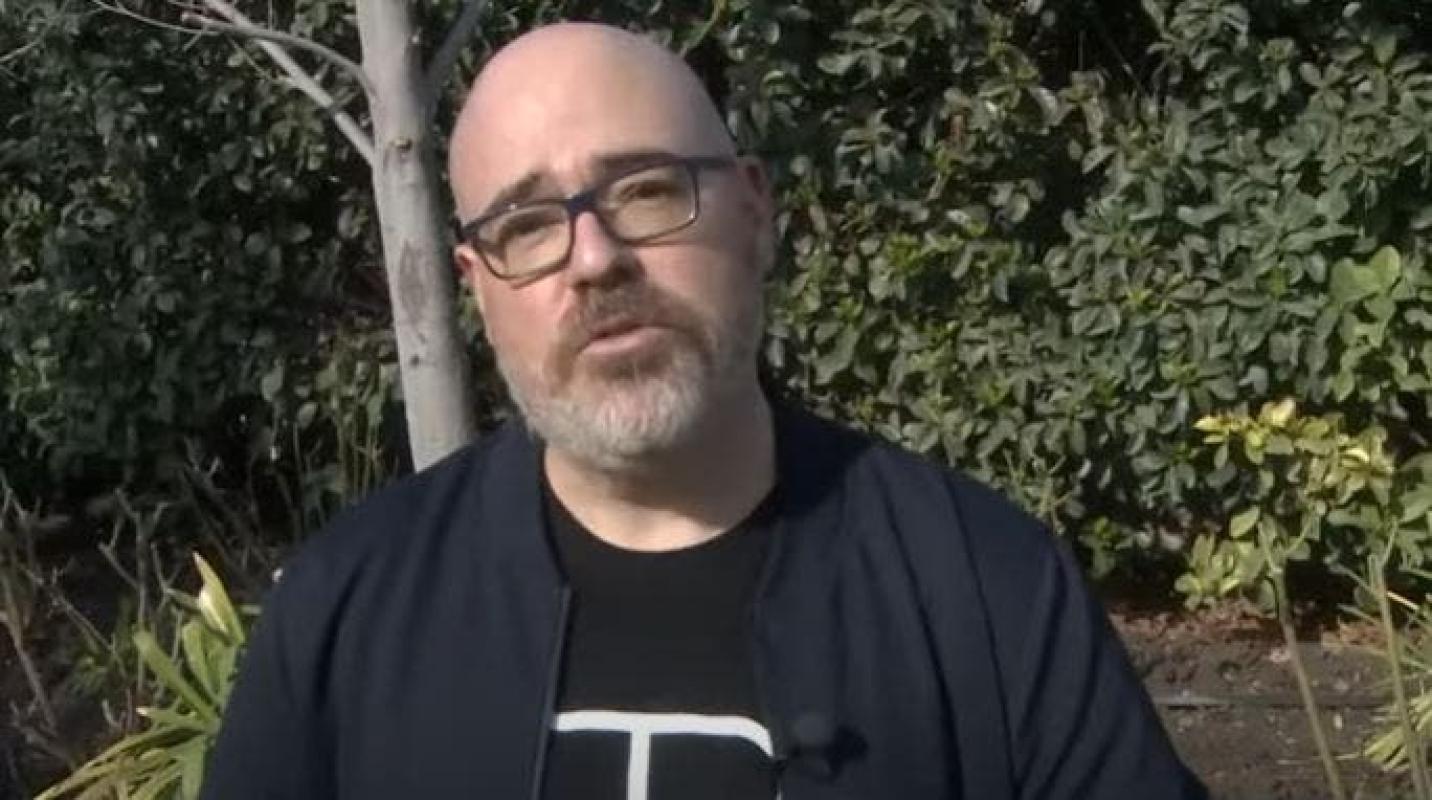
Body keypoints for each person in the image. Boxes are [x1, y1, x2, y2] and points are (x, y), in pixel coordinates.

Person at [200, 22, 1206, 800]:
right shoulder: (348, 606)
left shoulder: (988, 591)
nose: (595, 259)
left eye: (644, 189)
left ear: (754, 210)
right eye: (528, 225)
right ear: (477, 284)